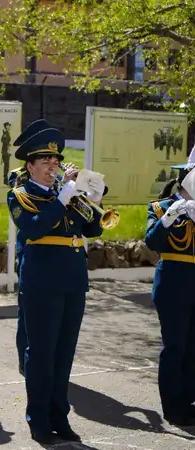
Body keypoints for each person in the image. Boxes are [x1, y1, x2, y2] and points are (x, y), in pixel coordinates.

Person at [6, 127, 105, 445]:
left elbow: (93, 230)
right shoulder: (21, 195)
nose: (53, 165)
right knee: (41, 354)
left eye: (55, 159)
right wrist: (62, 198)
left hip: (73, 281)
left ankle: (59, 417)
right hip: (42, 283)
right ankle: (38, 419)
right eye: (45, 160)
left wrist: (93, 200)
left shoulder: (68, 195)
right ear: (30, 165)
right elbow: (33, 228)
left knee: (64, 355)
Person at [145, 149, 195, 426]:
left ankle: (189, 402)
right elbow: (152, 242)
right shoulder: (160, 207)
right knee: (175, 347)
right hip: (174, 284)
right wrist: (167, 220)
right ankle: (173, 408)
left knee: (193, 349)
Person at [9, 118, 50, 377]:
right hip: (28, 246)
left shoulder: (51, 170)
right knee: (27, 312)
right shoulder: (19, 175)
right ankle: (25, 359)